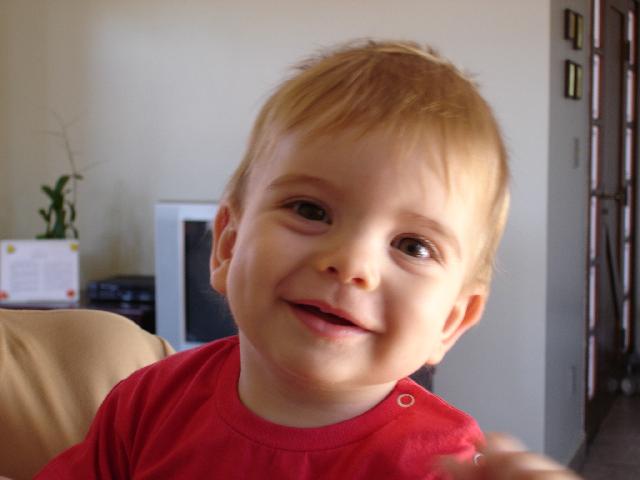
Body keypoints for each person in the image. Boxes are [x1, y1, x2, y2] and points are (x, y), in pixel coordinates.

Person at [36, 40, 580, 479]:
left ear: (451, 321)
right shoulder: (150, 403)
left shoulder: (446, 464)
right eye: (310, 210)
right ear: (227, 246)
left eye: (412, 246)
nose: (352, 263)